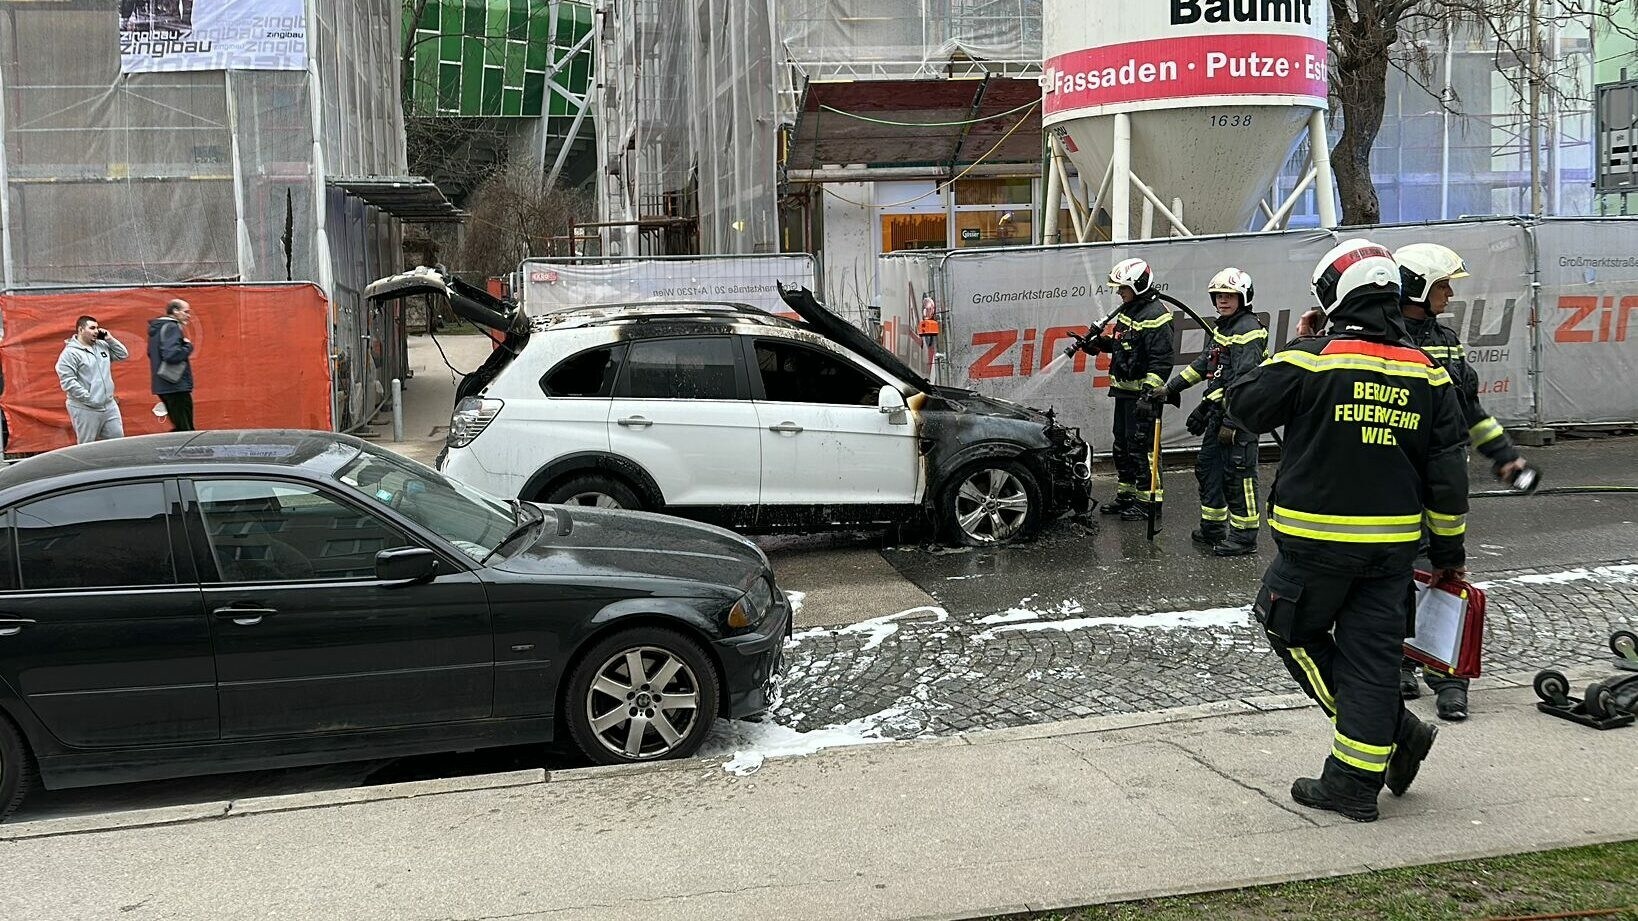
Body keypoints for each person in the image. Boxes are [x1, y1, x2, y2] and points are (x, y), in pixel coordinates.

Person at [1227, 238, 1469, 822]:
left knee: (1287, 629)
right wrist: (1448, 554)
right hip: (1391, 553)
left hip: (1315, 548)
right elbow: (1447, 476)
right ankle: (1354, 784)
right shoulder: (1431, 376)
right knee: (1369, 660)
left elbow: (1244, 406)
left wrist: (1303, 341)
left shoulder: (1312, 358)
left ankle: (1392, 735)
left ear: (1335, 297)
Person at [1392, 243, 1529, 721]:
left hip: (1442, 477)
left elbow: (1469, 408)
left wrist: (1505, 457)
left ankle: (1449, 675)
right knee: (1397, 578)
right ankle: (1402, 662)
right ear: (1416, 287)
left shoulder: (1447, 341)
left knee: (1446, 572)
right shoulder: (1380, 338)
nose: (1450, 294)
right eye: (1443, 284)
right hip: (1394, 479)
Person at [1147, 267, 1268, 556]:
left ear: (1244, 298)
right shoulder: (1224, 327)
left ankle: (1244, 537)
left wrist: (1230, 421)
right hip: (1219, 414)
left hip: (1239, 419)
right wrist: (1171, 388)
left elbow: (1244, 382)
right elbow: (1206, 365)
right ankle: (1213, 528)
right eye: (1219, 296)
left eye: (1229, 296)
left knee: (1239, 475)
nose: (1223, 301)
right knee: (1208, 469)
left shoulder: (1248, 330)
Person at [1072, 258, 1176, 521]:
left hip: (1143, 398)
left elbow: (1161, 361)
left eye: (1122, 288)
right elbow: (1123, 344)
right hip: (1123, 393)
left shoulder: (1156, 316)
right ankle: (1127, 495)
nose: (1119, 293)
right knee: (1123, 446)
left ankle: (1149, 502)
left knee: (1143, 448)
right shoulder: (1128, 311)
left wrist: (1148, 395)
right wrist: (1097, 344)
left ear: (1139, 285)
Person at [55, 315, 129, 444]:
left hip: (109, 405)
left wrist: (110, 339)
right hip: (85, 408)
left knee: (118, 441)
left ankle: (114, 464)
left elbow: (122, 354)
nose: (96, 331)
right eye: (92, 328)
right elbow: (68, 382)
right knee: (87, 445)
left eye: (97, 328)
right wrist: (90, 398)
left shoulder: (102, 345)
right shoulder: (70, 353)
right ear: (81, 330)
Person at [148, 298, 197, 431]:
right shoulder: (171, 327)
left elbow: (151, 353)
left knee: (181, 426)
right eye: (186, 312)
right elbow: (171, 355)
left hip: (164, 385)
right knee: (185, 429)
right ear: (175, 311)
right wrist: (187, 346)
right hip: (176, 385)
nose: (188, 315)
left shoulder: (157, 329)